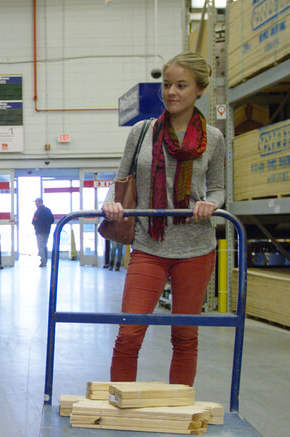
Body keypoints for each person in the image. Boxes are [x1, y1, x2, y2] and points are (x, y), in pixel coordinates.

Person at [102, 52, 224, 387]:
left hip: (196, 247)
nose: (171, 92)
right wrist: (112, 205)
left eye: (181, 85)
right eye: (167, 84)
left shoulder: (213, 138)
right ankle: (121, 401)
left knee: (185, 336)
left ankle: (178, 405)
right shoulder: (142, 132)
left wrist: (211, 203)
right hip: (148, 244)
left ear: (199, 89)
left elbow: (218, 188)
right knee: (129, 333)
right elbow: (119, 184)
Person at [32, 197, 54, 267]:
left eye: (36, 202)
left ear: (40, 202)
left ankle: (43, 261)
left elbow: (33, 221)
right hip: (47, 231)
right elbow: (52, 220)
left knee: (40, 246)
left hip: (39, 231)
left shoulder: (38, 211)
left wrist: (38, 224)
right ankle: (45, 260)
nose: (35, 204)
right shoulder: (48, 210)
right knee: (44, 246)